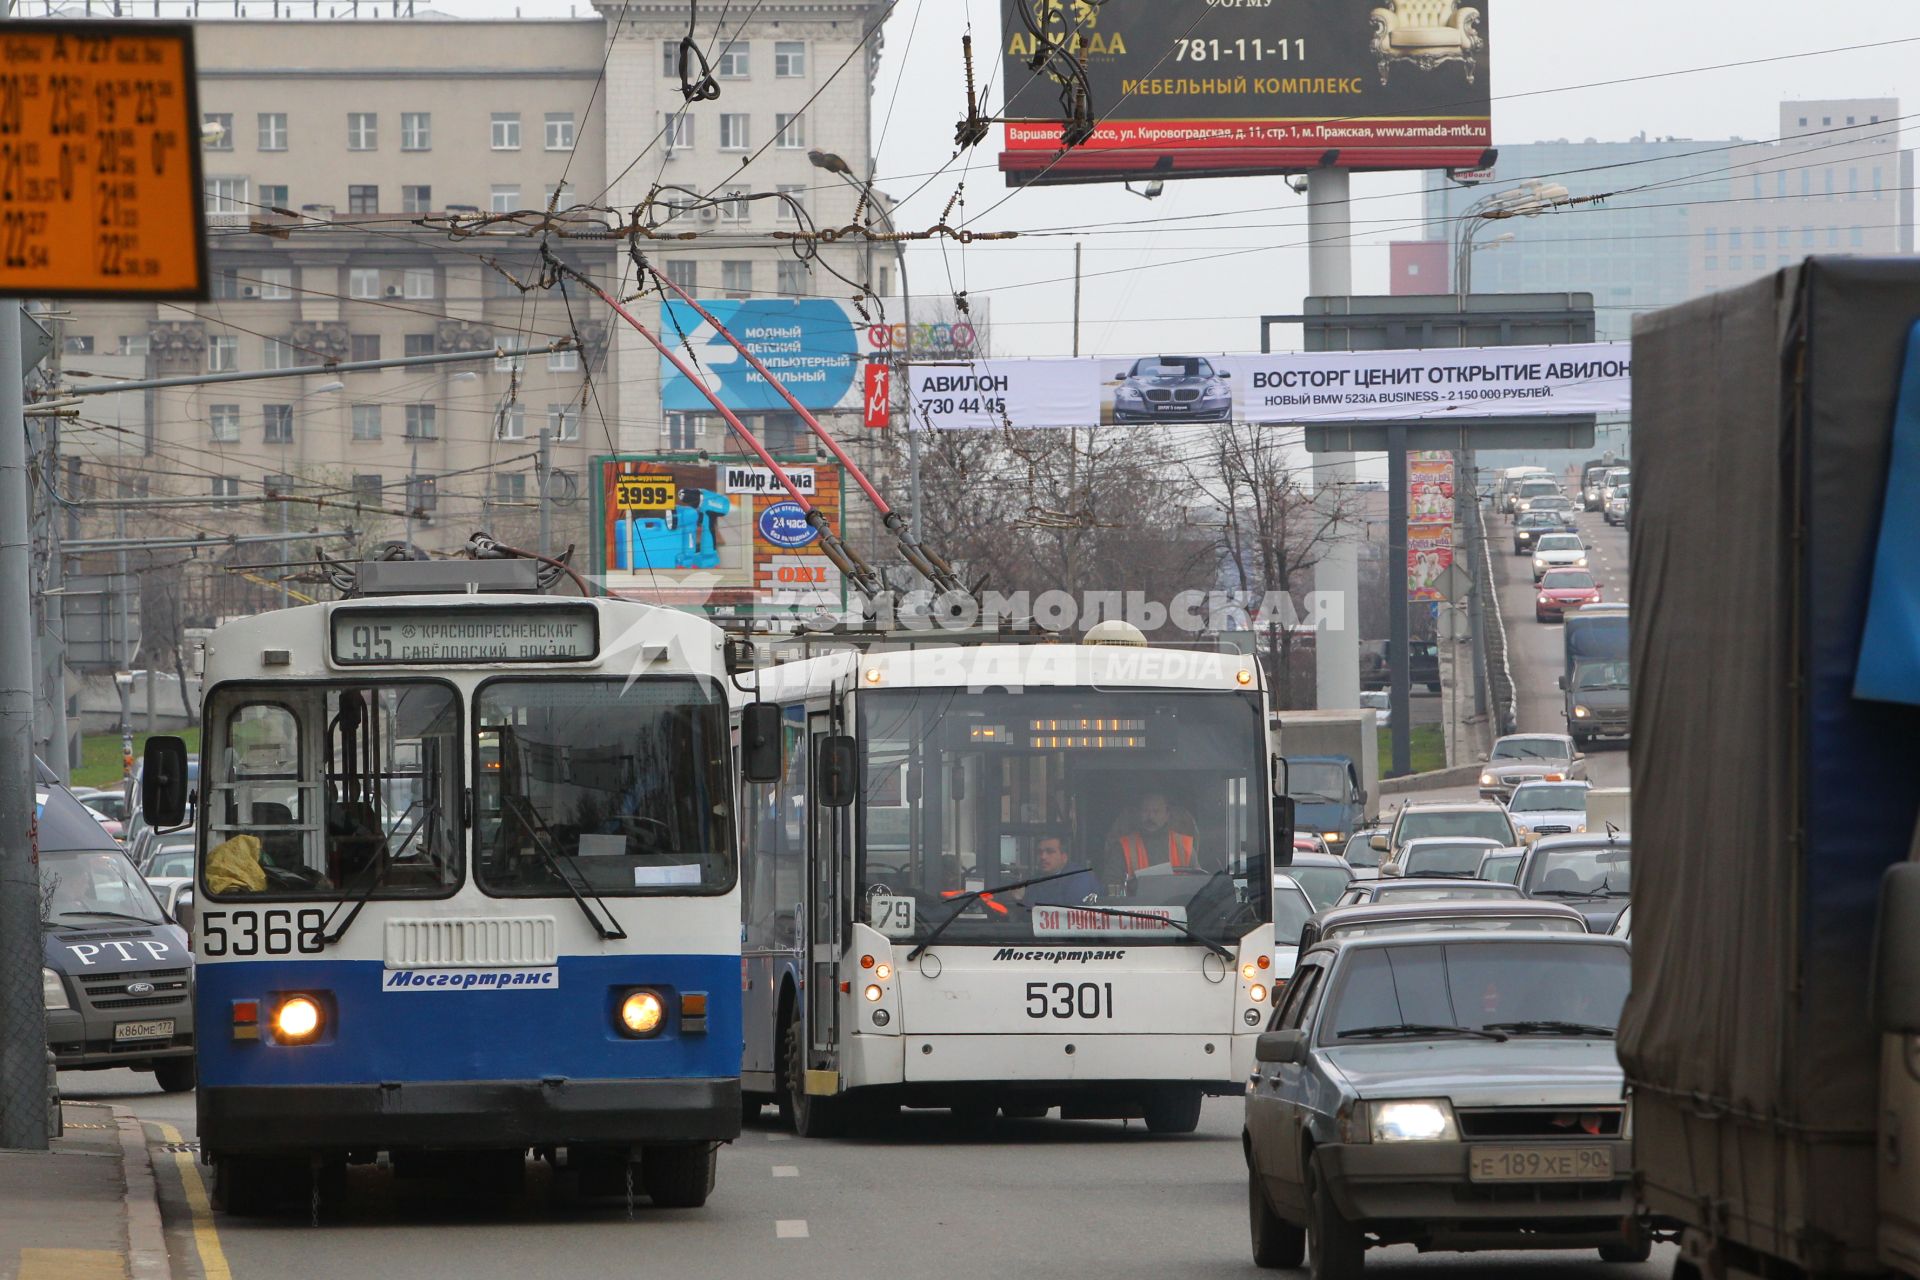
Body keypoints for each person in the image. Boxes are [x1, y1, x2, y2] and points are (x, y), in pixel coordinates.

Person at [1109, 791, 1197, 879]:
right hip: (1136, 893)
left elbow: (1198, 881)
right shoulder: (1123, 847)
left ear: (1167, 815)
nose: (1150, 817)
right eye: (1145, 811)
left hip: (1179, 893)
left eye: (1156, 811)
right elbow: (1111, 883)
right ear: (1139, 814)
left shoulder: (1184, 846)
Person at [1024, 834, 1102, 907]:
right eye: (1039, 852)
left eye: (1050, 852)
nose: (1043, 857)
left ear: (1064, 857)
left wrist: (1024, 897)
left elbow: (1068, 909)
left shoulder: (1080, 876)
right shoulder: (1036, 878)